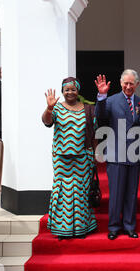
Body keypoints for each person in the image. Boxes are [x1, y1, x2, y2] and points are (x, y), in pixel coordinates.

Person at [95, 70, 140, 240]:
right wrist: (102, 97)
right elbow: (101, 117)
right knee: (116, 193)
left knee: (131, 193)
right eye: (125, 83)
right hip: (115, 153)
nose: (128, 86)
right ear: (120, 83)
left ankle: (129, 226)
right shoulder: (110, 101)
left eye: (131, 83)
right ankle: (114, 227)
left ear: (137, 85)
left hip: (134, 154)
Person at [42, 77, 98, 239]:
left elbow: (94, 133)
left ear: (78, 91)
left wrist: (95, 154)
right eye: (67, 89)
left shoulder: (88, 109)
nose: (70, 92)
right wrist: (49, 108)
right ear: (62, 91)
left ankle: (81, 228)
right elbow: (46, 122)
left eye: (73, 89)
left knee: (80, 192)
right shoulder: (57, 108)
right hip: (61, 158)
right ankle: (62, 228)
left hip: (83, 157)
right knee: (62, 192)